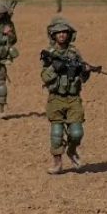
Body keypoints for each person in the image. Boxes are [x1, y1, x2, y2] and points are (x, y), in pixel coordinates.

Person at [40, 18, 98, 174]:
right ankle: (57, 162)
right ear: (53, 35)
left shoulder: (74, 53)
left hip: (73, 98)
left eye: (64, 32)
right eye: (58, 32)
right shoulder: (49, 54)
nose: (61, 35)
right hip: (56, 98)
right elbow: (44, 77)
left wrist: (85, 71)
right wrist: (54, 68)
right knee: (57, 133)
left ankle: (71, 150)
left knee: (77, 133)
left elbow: (83, 79)